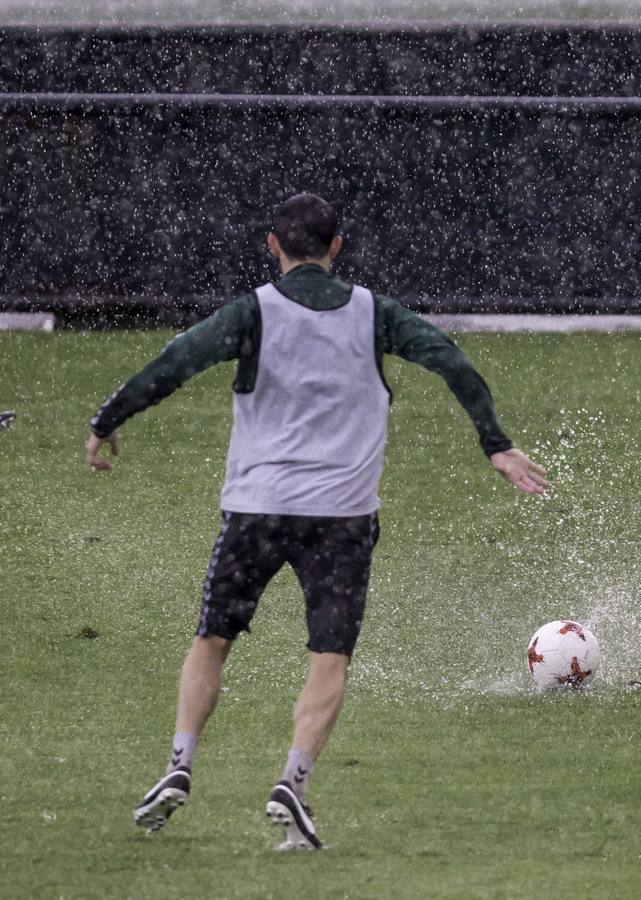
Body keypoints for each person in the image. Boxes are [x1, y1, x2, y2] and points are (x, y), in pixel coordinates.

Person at [86, 193, 548, 849]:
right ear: (336, 248)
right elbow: (451, 359)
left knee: (211, 639)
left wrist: (108, 420)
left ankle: (179, 766)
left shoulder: (252, 311)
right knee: (328, 657)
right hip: (341, 519)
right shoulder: (374, 314)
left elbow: (173, 364)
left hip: (256, 508)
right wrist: (494, 443)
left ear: (272, 247)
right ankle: (292, 784)